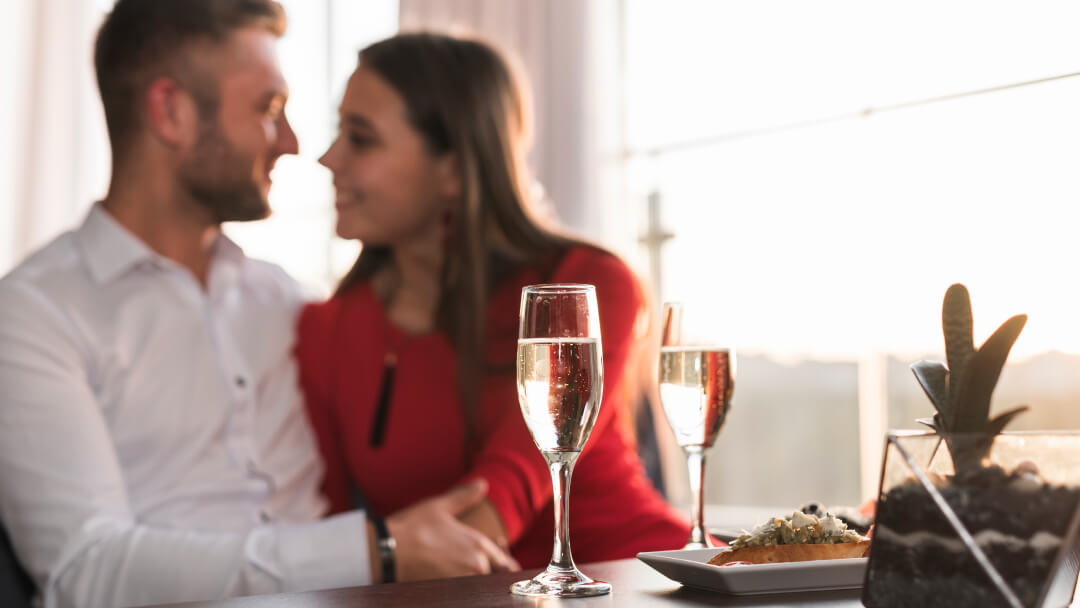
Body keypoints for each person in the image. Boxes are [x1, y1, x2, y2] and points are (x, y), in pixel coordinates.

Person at [0, 3, 515, 607]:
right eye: (269, 110)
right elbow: (84, 571)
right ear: (171, 112)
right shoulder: (34, 313)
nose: (294, 144)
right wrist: (377, 551)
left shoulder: (290, 304)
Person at [297, 32, 692, 569]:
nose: (327, 158)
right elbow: (335, 538)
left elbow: (506, 492)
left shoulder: (585, 286)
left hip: (636, 578)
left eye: (360, 139)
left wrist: (391, 556)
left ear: (455, 169)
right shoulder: (325, 331)